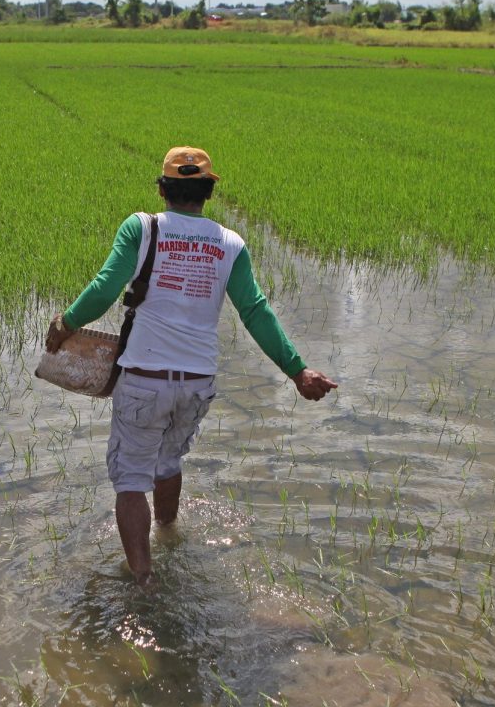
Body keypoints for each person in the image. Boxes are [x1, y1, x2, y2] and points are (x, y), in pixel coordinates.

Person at [45, 146, 338, 589]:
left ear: (162, 189)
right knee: (168, 461)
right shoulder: (229, 244)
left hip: (144, 380)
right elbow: (255, 311)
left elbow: (106, 288)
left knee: (130, 480)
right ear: (208, 192)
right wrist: (298, 371)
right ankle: (167, 534)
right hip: (197, 385)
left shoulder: (142, 228)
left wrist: (65, 323)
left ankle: (143, 581)